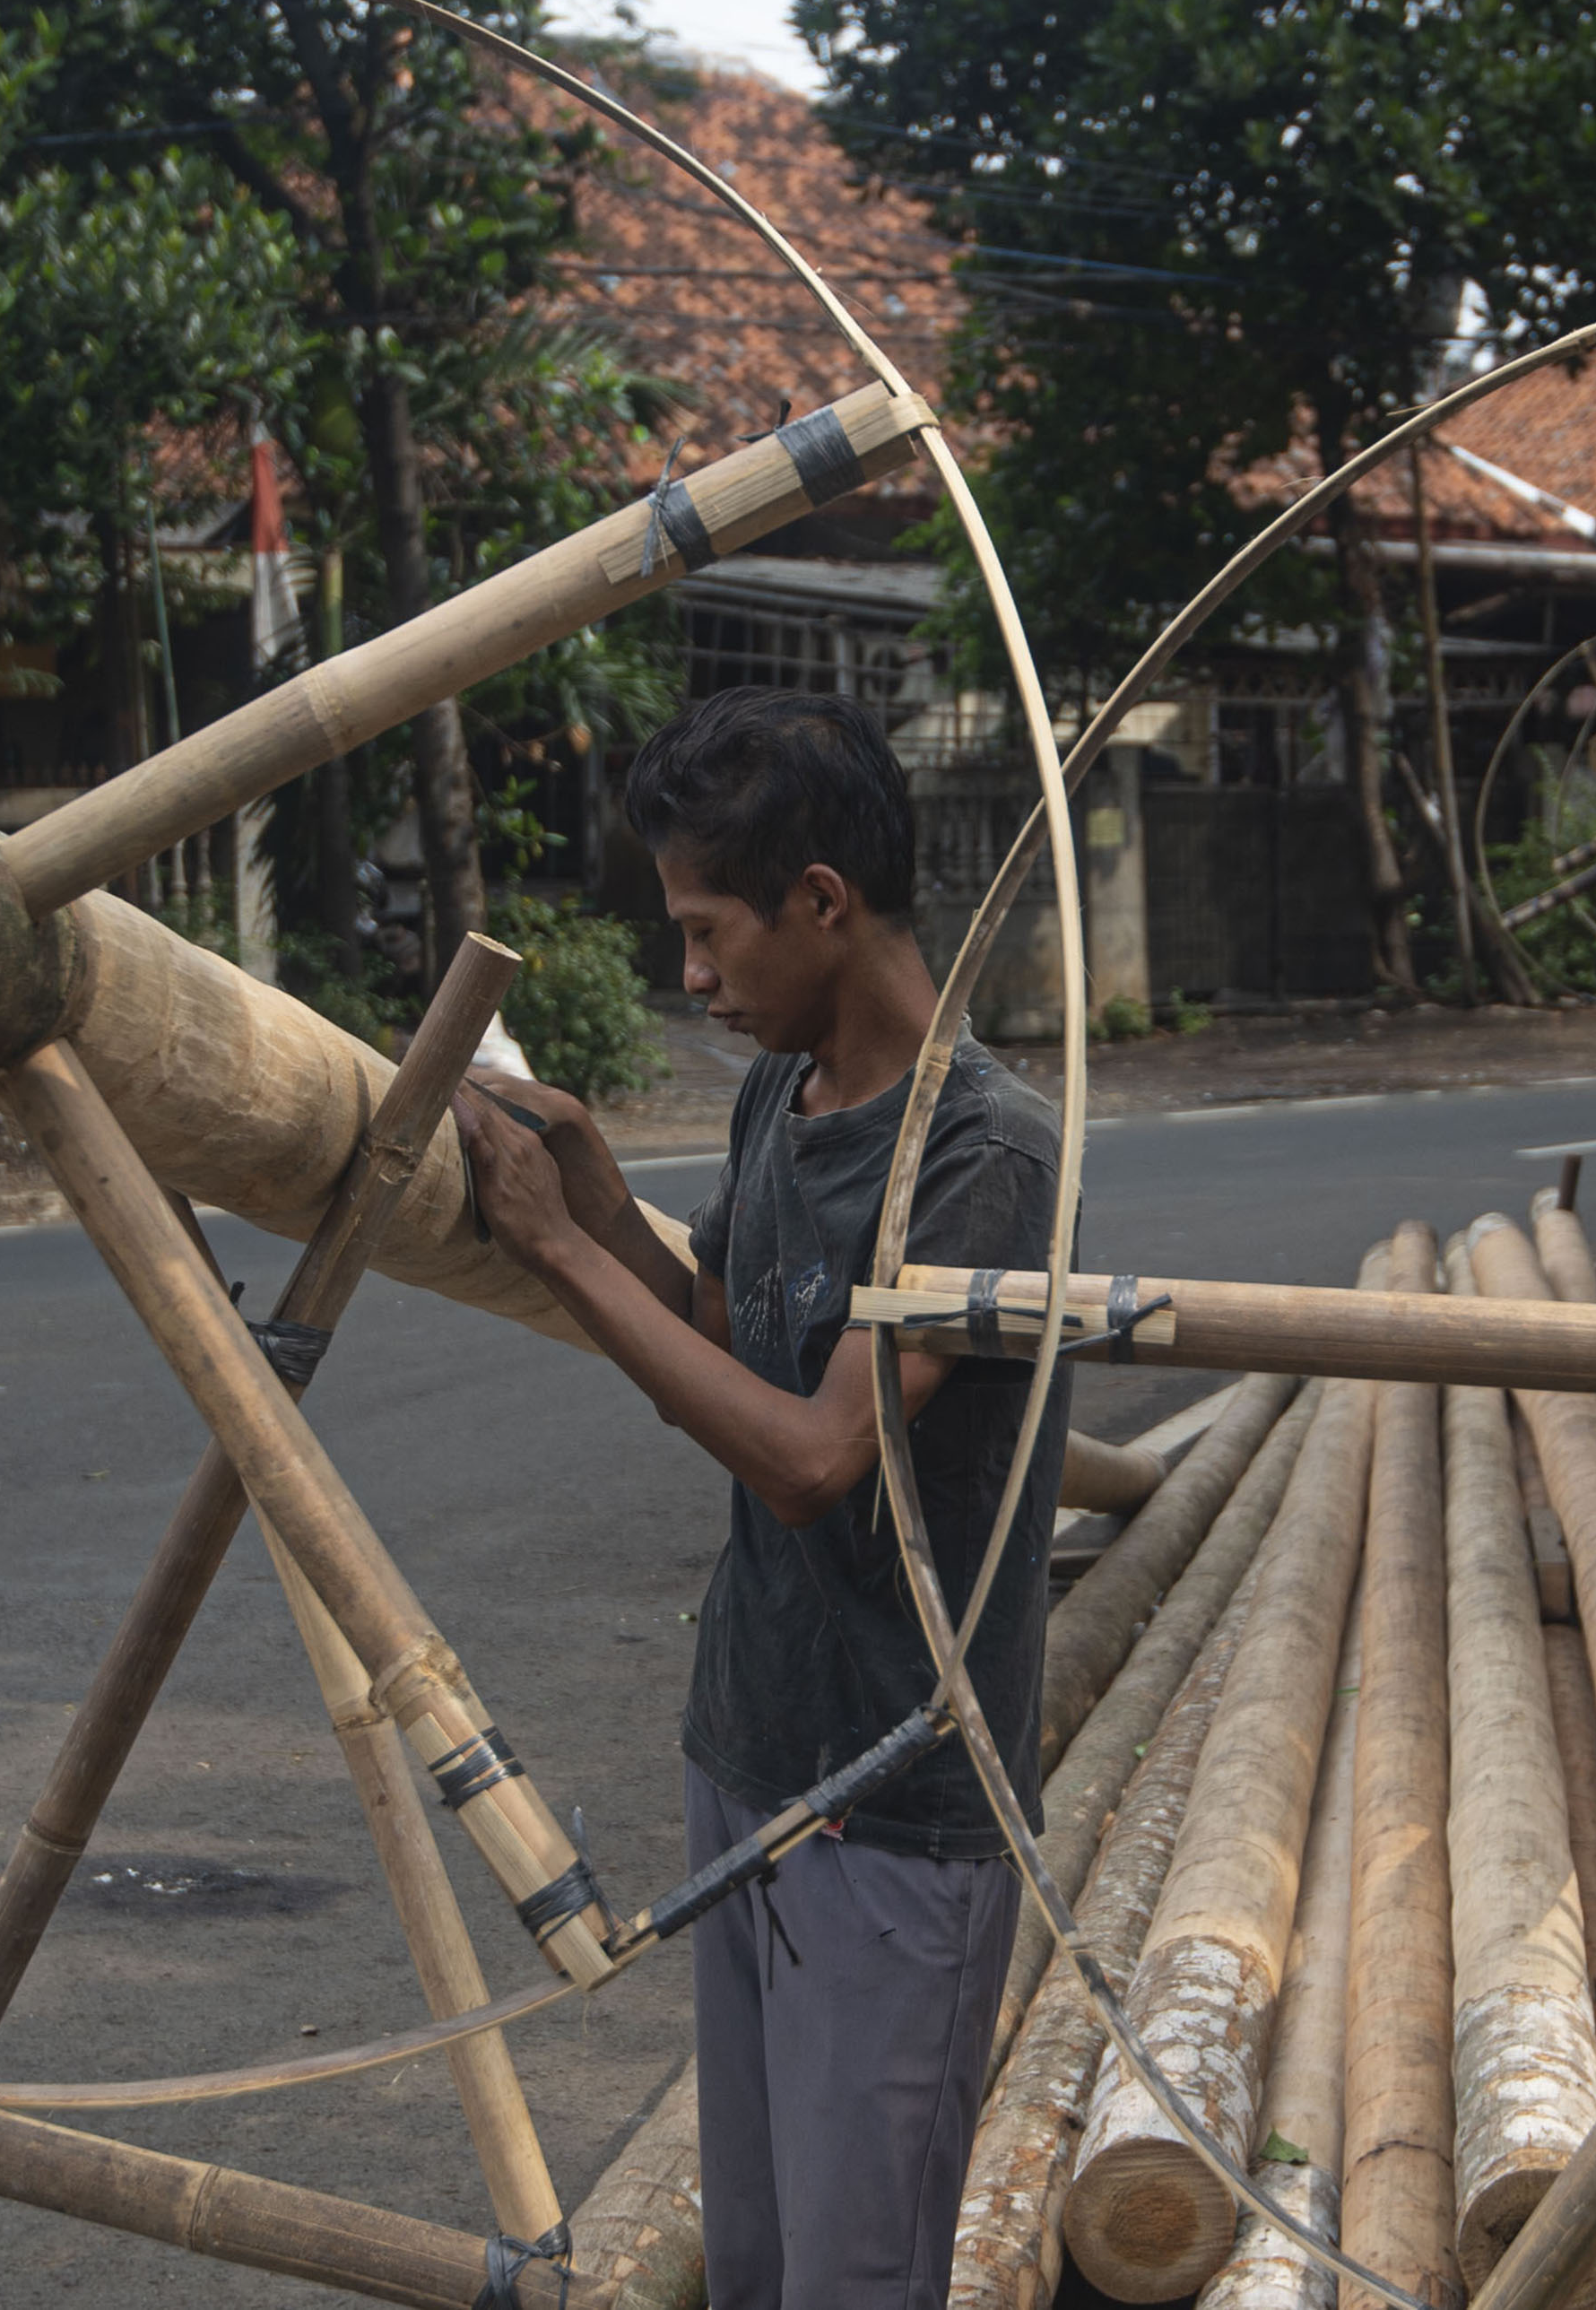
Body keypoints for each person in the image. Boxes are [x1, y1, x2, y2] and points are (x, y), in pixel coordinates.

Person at [455, 684, 1071, 2310]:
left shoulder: (982, 1157)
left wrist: (562, 1247)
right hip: (751, 1748)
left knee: (855, 2282)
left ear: (825, 903)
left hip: (899, 1788)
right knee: (759, 2265)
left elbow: (812, 1459)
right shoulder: (778, 1098)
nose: (694, 975)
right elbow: (741, 1330)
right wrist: (587, 1168)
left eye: (711, 931)